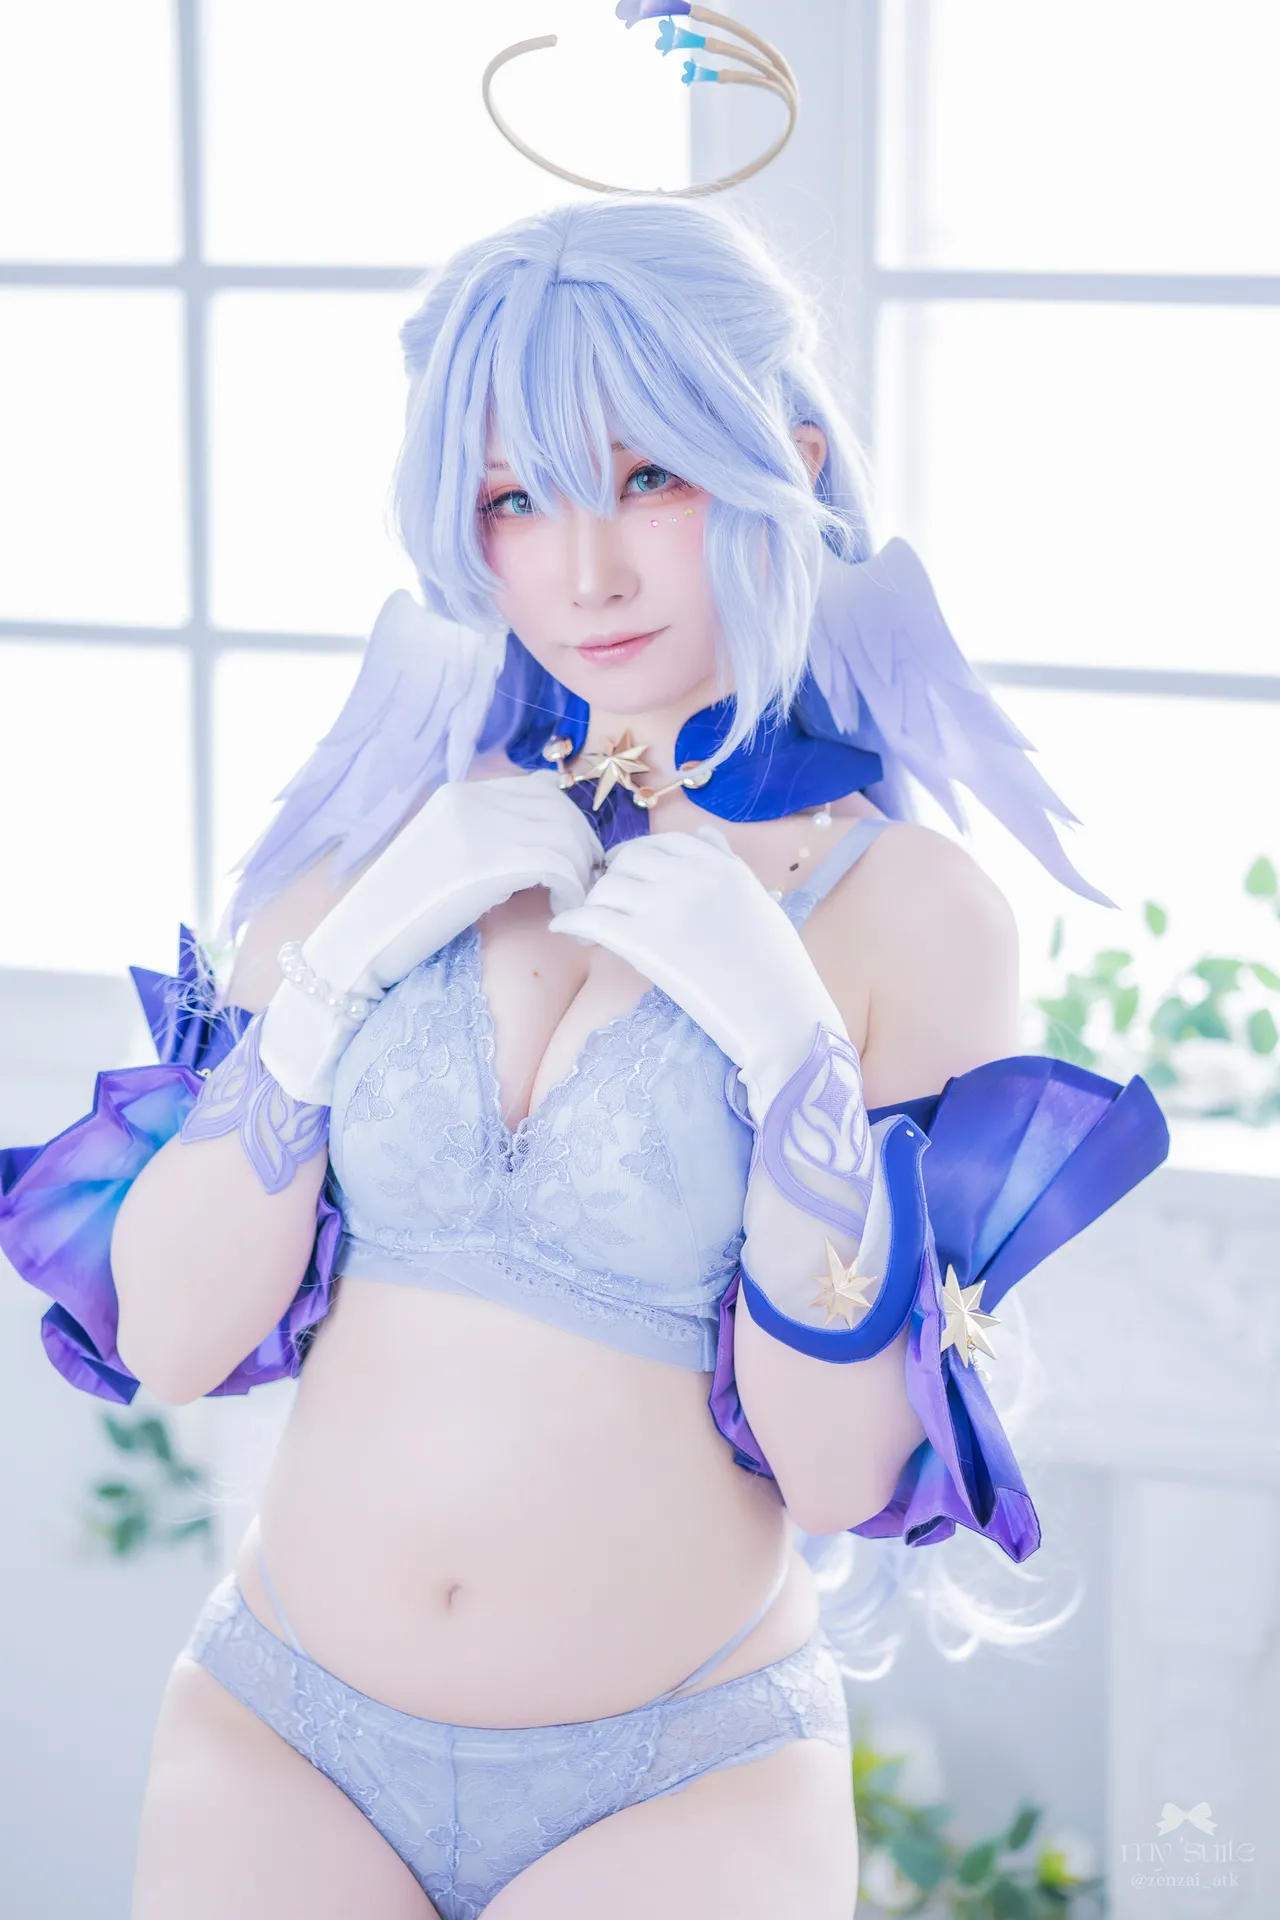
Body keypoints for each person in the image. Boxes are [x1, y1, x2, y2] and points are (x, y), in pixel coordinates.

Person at [0, 195, 1168, 1920]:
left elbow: (844, 1472)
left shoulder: (911, 914)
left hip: (682, 1781)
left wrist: (796, 1067)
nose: (585, 570)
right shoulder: (375, 842)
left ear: (787, 461)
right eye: (514, 501)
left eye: (648, 477)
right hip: (280, 1737)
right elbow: (168, 1337)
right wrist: (331, 981)